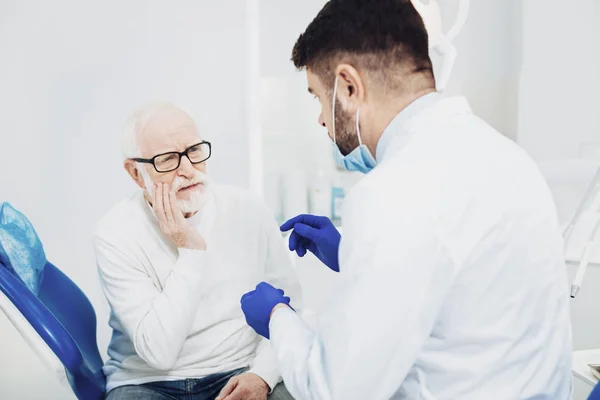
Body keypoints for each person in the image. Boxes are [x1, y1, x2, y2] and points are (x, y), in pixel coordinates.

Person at [239, 1, 573, 399]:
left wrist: (277, 318)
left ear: (348, 86)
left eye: (317, 96)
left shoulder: (393, 192)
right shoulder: (506, 156)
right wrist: (351, 254)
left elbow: (335, 389)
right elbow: (464, 291)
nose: (321, 121)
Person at [93, 103, 299, 400]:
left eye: (194, 151)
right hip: (147, 382)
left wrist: (262, 374)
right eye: (168, 160)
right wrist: (190, 249)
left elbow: (292, 306)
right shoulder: (114, 232)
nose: (188, 170)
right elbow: (159, 354)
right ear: (137, 174)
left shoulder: (248, 209)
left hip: (240, 368)